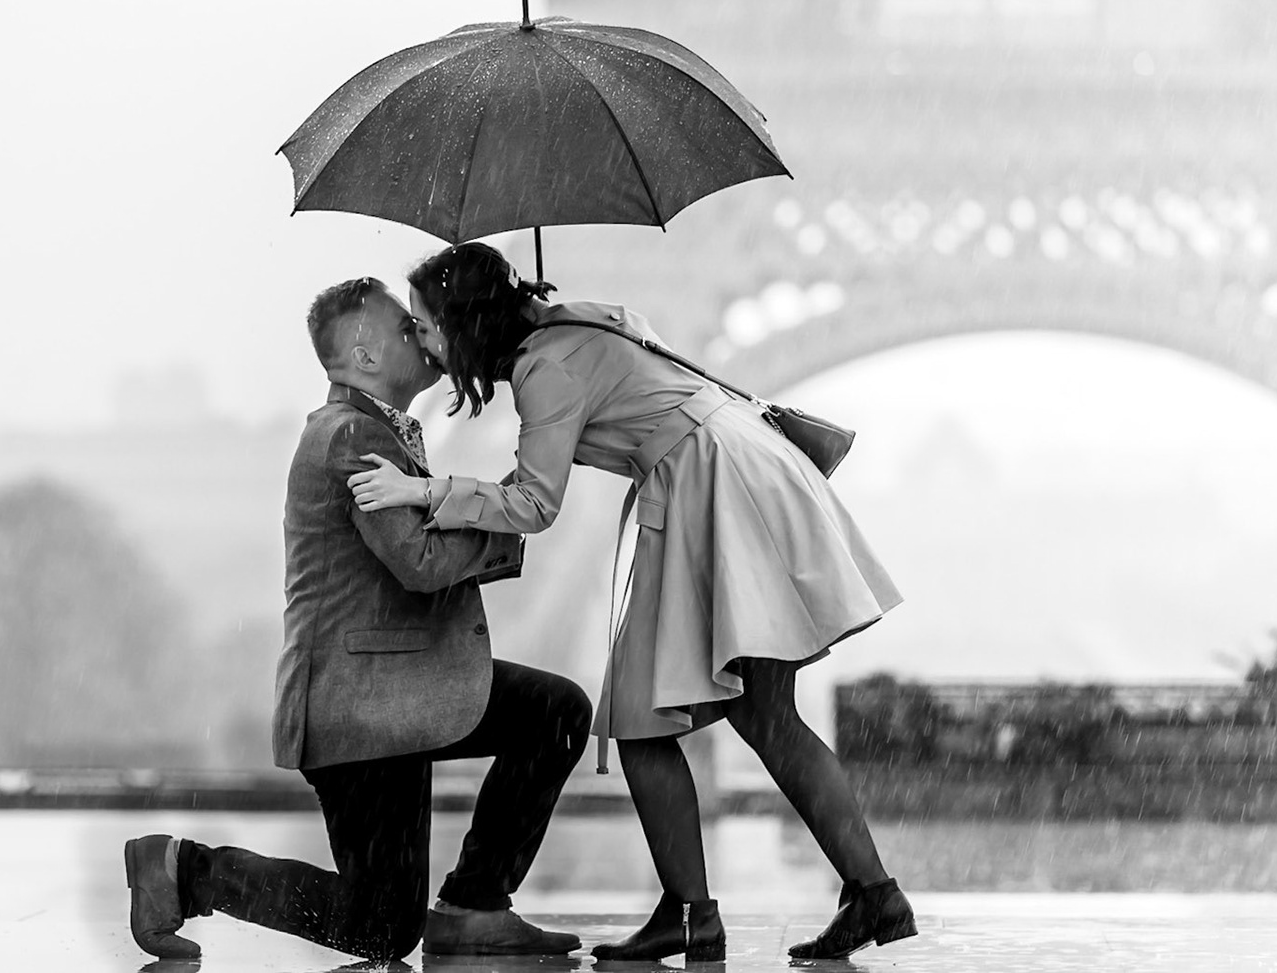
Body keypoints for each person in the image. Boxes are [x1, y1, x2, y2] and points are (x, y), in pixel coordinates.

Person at [348, 242, 916, 963]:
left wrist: (424, 489)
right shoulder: (583, 323)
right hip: (749, 469)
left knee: (640, 725)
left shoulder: (545, 367)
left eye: (426, 326)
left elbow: (533, 502)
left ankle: (691, 914)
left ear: (465, 324)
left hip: (713, 487)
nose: (422, 342)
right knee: (769, 716)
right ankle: (873, 890)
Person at [122, 277, 592, 963]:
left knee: (555, 712)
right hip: (363, 710)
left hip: (402, 690)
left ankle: (474, 901)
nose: (427, 335)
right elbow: (421, 561)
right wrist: (512, 522)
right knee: (382, 926)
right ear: (367, 354)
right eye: (410, 328)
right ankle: (185, 870)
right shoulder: (349, 436)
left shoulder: (370, 428)